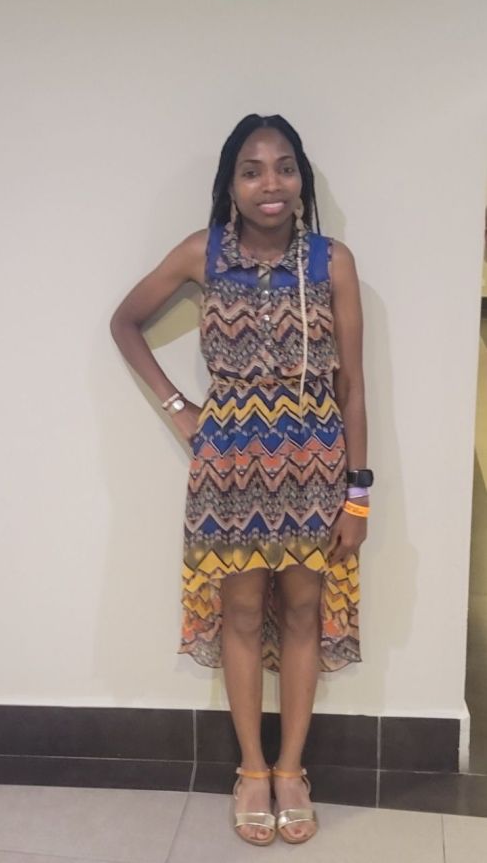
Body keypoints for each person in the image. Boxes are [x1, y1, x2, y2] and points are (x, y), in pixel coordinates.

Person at [110, 113, 371, 846]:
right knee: (242, 614)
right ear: (230, 184)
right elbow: (125, 322)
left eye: (284, 167)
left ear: (301, 180)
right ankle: (252, 768)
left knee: (303, 612)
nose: (270, 184)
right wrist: (179, 409)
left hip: (314, 462)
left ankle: (292, 769)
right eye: (251, 170)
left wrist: (358, 493)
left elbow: (351, 385)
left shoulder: (331, 262)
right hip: (228, 466)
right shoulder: (203, 254)